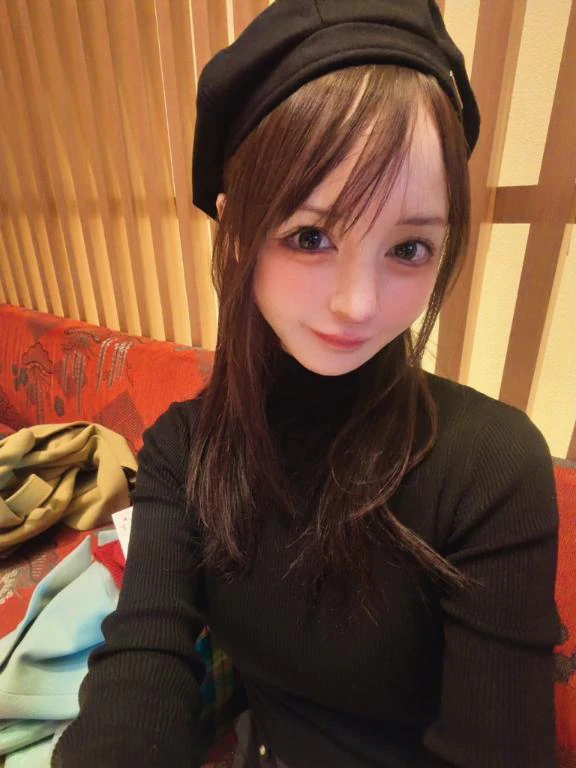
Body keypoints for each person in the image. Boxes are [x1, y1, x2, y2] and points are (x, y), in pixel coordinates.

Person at [53, 1, 561, 766]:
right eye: (311, 236)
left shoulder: (490, 467)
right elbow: (142, 662)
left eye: (410, 248)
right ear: (236, 231)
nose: (357, 304)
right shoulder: (185, 449)